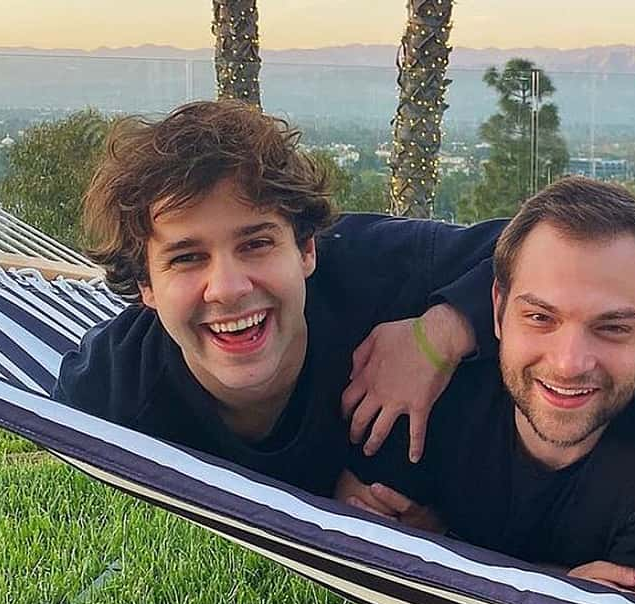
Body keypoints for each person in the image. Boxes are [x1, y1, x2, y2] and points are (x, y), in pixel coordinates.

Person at [52, 100, 502, 499]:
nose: (228, 288)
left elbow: (543, 253)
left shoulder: (377, 268)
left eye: (256, 244)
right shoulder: (108, 396)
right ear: (145, 285)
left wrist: (439, 334)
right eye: (187, 258)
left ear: (307, 249)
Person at [341, 177, 635, 595]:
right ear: (498, 310)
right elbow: (355, 505)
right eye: (540, 318)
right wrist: (560, 586)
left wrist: (450, 549)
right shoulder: (424, 383)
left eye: (611, 327)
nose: (569, 363)